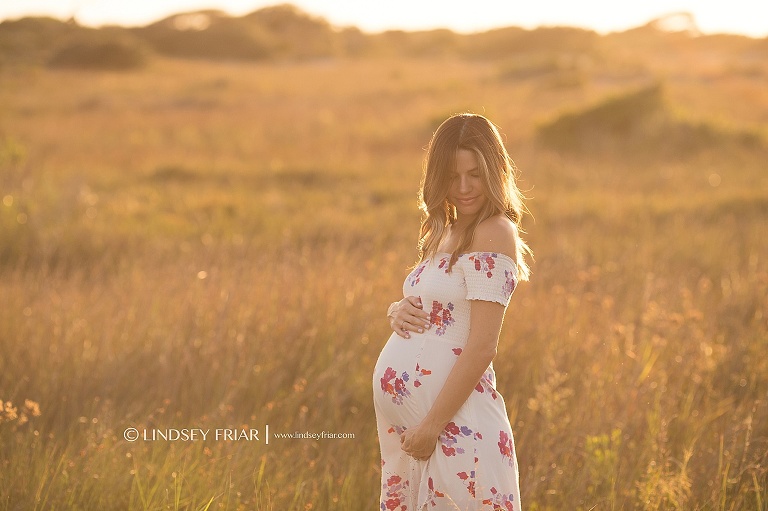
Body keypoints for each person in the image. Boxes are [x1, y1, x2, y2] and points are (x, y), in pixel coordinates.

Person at [373, 113, 532, 510]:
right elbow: (438, 306)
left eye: (475, 174)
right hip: (416, 435)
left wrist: (431, 426)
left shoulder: (493, 231)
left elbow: (481, 347)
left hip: (455, 430)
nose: (464, 188)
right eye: (452, 175)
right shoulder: (443, 228)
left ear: (495, 171)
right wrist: (398, 310)